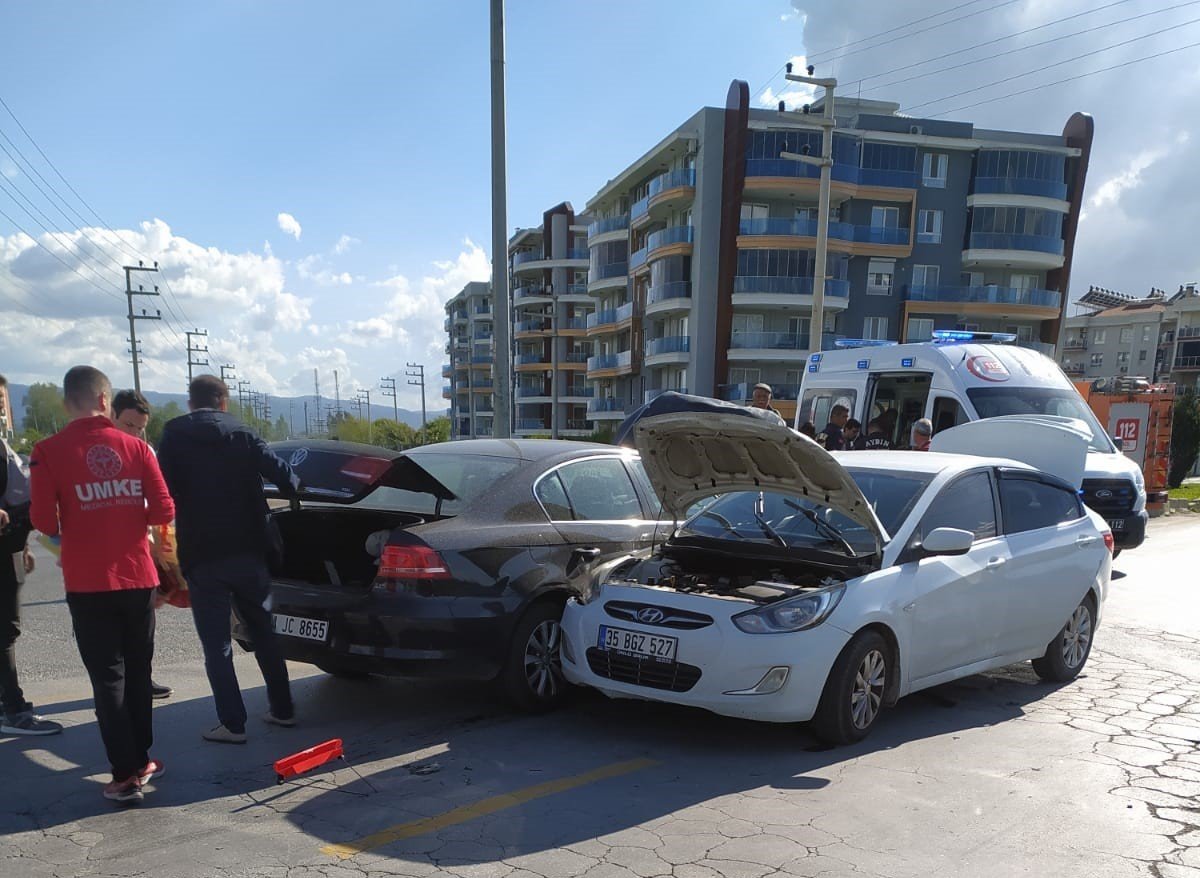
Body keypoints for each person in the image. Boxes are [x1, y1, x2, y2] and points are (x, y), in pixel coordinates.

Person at [29, 366, 174, 803]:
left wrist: (79, 517)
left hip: (88, 583)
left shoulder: (47, 450)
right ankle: (142, 758)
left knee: (108, 678)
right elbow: (163, 508)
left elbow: (41, 521)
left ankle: (124, 773)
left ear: (66, 402)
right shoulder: (138, 448)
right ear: (105, 400)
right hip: (136, 578)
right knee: (139, 671)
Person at [157, 375, 301, 744]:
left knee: (216, 643)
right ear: (224, 402)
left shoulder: (174, 435)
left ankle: (232, 724)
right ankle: (283, 709)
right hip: (250, 553)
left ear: (191, 403)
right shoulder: (243, 432)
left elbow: (160, 492)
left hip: (203, 556)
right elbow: (286, 478)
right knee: (264, 632)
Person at [1, 375, 63, 736]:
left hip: (9, 547)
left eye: (2, 399)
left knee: (6, 629)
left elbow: (16, 494)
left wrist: (23, 545)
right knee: (4, 631)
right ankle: (12, 710)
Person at [111, 389, 172, 701]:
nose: (134, 432)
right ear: (112, 417)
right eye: (128, 425)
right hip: (107, 553)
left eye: (140, 427)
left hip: (141, 544)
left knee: (143, 624)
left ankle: (141, 681)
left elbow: (158, 503)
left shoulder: (145, 451)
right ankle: (118, 687)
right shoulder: (100, 452)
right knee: (113, 628)